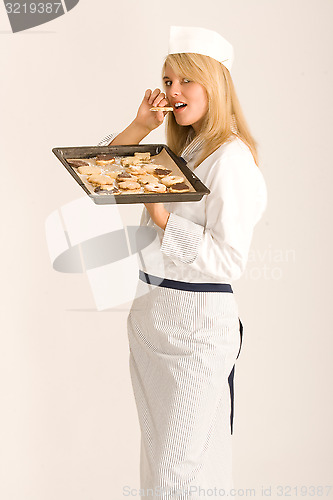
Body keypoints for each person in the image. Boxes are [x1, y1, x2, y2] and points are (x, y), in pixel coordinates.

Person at [99, 25, 267, 499]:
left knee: (178, 475)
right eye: (167, 80)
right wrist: (139, 129)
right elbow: (108, 179)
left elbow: (229, 259)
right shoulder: (179, 150)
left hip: (197, 327)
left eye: (185, 81)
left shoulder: (230, 158)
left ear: (214, 83)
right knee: (166, 470)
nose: (173, 92)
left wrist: (162, 217)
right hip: (151, 317)